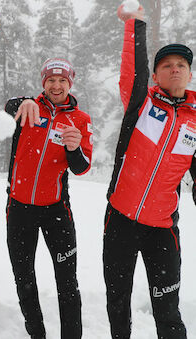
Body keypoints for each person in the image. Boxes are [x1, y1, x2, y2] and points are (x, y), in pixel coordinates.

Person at [104, 5, 194, 338]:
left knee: (168, 311)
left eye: (181, 65)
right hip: (120, 223)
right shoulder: (141, 105)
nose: (174, 69)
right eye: (167, 66)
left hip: (162, 231)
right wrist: (135, 26)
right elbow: (132, 73)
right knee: (118, 305)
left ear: (189, 74)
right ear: (156, 76)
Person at [4, 57, 93, 339]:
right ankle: (37, 334)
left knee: (67, 282)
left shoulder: (80, 120)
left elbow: (81, 167)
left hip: (56, 212)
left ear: (70, 84)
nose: (56, 85)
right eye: (51, 80)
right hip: (19, 210)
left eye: (62, 80)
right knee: (24, 279)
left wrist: (73, 148)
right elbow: (8, 106)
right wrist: (24, 101)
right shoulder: (30, 108)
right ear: (44, 83)